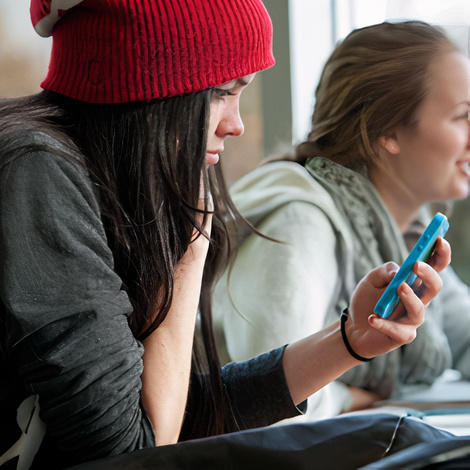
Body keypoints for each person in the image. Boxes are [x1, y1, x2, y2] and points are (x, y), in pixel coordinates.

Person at [0, 5, 452, 470]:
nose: (234, 124)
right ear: (149, 84)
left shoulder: (92, 181)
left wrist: (348, 342)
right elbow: (131, 458)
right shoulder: (35, 172)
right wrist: (189, 252)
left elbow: (172, 415)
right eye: (221, 93)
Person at [214, 20, 470, 421]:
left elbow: (465, 335)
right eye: (461, 116)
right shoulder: (296, 225)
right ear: (389, 131)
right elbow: (275, 406)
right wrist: (344, 400)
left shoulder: (401, 231)